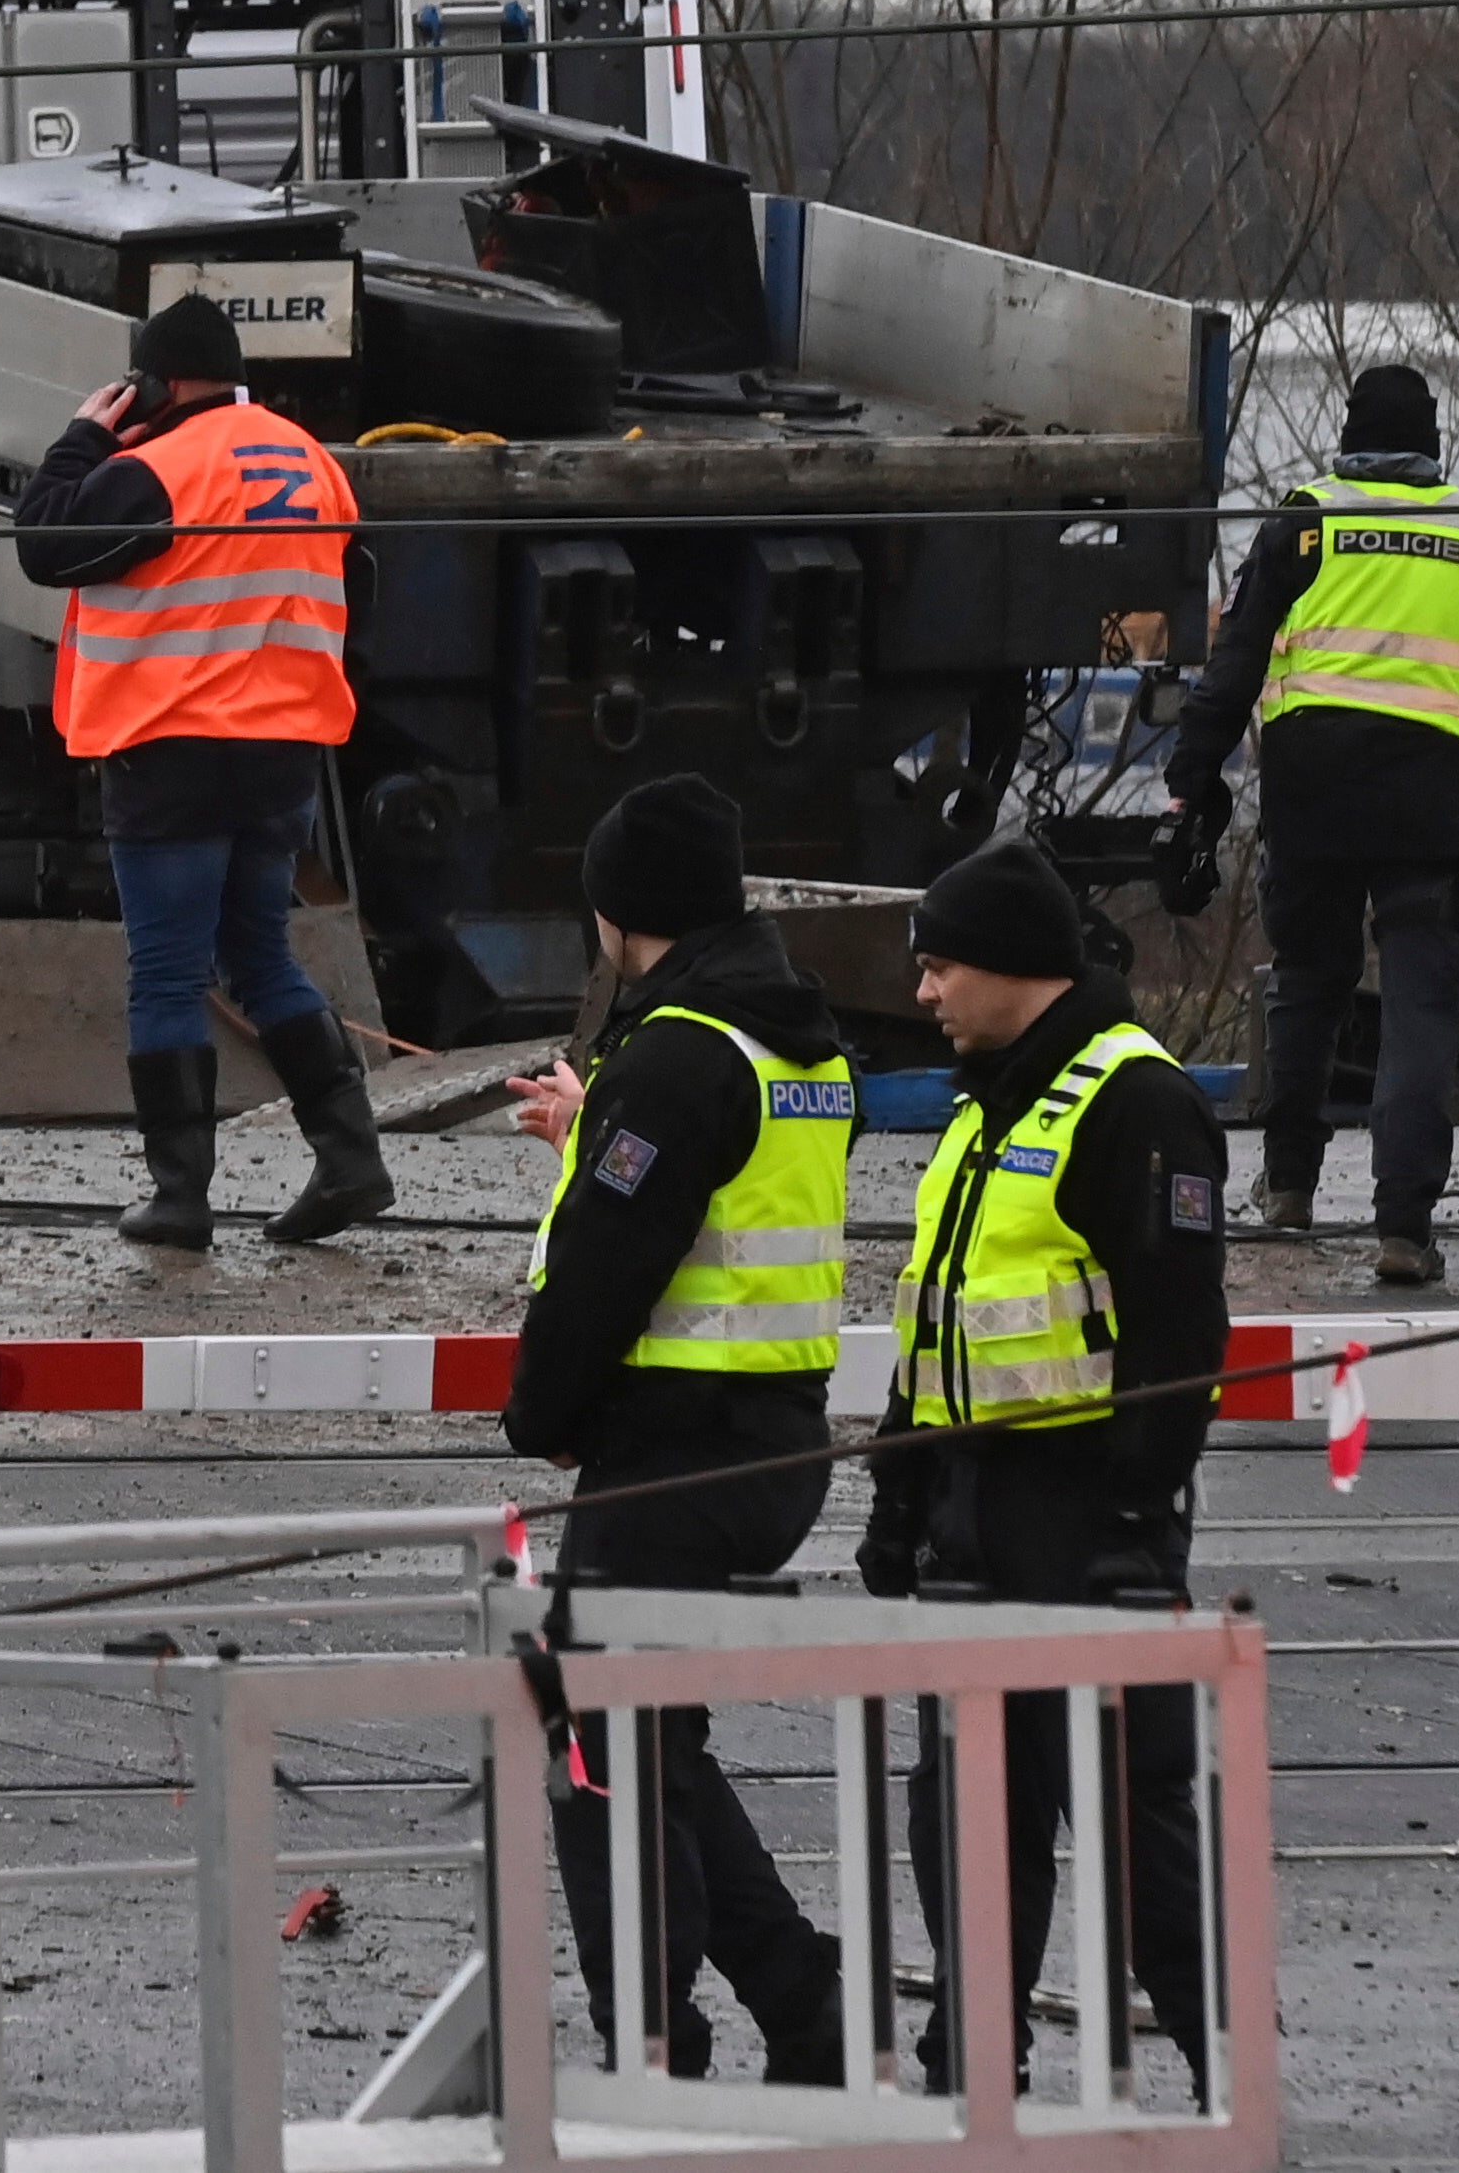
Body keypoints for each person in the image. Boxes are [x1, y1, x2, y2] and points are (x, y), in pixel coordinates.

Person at [859, 836, 1226, 2102]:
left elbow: (1180, 1340)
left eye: (939, 967)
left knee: (1136, 1826)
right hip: (971, 1513)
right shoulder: (982, 1109)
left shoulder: (1138, 1102)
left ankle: (1222, 2067)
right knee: (963, 1815)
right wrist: (898, 1498)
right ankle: (973, 2074)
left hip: (1085, 1522)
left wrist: (1134, 1521)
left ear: (1013, 969)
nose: (923, 993)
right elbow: (935, 1323)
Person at [502, 774, 850, 2085]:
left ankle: (654, 2036)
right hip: (772, 1433)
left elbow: (607, 1265)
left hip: (676, 1446)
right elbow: (712, 1202)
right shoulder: (791, 1037)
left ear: (618, 911)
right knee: (647, 1731)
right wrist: (595, 1130)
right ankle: (800, 2000)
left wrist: (543, 1415)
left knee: (598, 1729)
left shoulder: (683, 1050)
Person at [1163, 363, 1459, 1284]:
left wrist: (1187, 777)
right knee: (1420, 1010)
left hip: (1309, 799)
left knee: (1307, 986)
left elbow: (1231, 663)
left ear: (1348, 439)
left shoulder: (1304, 521)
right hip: (1427, 806)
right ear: (1432, 445)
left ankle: (1287, 1188)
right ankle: (1403, 1229)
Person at [16, 291, 388, 1249]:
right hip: (282, 758)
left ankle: (180, 1195)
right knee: (260, 954)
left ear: (158, 382)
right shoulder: (313, 463)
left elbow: (43, 544)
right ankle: (351, 1158)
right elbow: (360, 586)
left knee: (169, 973)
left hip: (172, 752)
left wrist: (78, 440)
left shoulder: (155, 470)